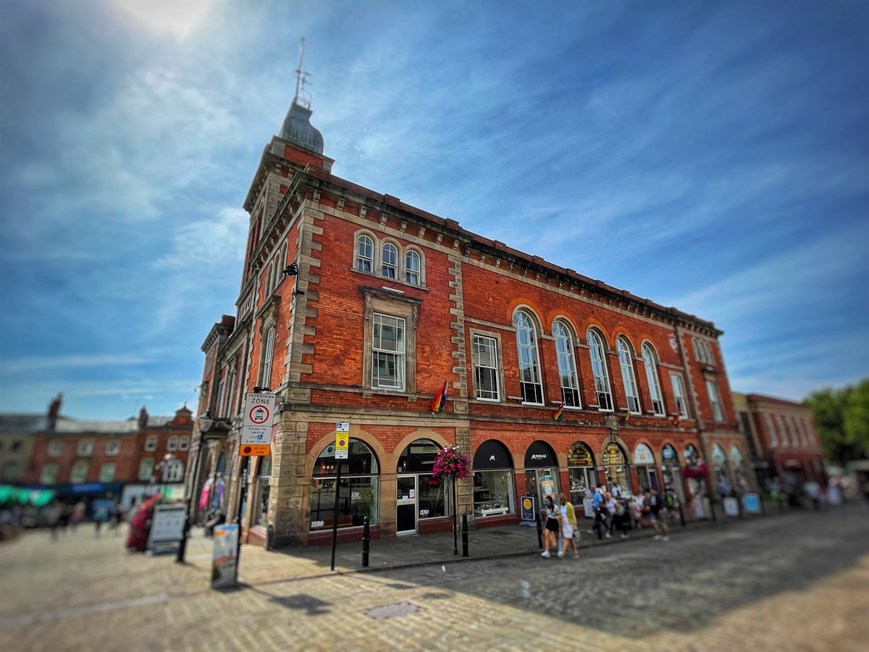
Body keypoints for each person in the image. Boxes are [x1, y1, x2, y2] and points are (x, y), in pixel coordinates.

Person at [558, 494, 578, 558]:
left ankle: (563, 553)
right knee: (570, 539)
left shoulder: (569, 505)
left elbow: (573, 515)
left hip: (570, 524)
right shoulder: (561, 506)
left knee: (567, 538)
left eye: (560, 500)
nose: (559, 501)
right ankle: (575, 552)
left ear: (563, 500)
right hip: (564, 524)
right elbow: (561, 516)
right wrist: (560, 525)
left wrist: (574, 524)